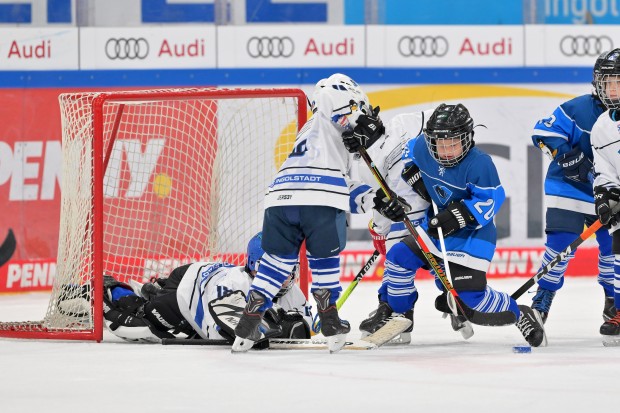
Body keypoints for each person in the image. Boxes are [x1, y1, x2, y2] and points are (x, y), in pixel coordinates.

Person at [356, 102, 547, 347]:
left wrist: (457, 216)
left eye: (453, 144)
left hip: (472, 236)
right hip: (436, 228)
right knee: (398, 257)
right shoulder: (423, 147)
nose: (445, 151)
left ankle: (520, 313)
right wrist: (413, 175)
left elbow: (490, 201)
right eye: (440, 144)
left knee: (471, 300)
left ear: (467, 139)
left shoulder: (481, 163)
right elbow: (407, 154)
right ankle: (400, 315)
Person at [232, 73, 377, 353]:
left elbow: (352, 189)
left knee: (276, 263)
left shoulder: (317, 133)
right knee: (324, 260)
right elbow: (327, 96)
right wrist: (359, 120)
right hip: (320, 198)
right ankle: (330, 321)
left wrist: (376, 201)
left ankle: (249, 321)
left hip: (280, 197)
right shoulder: (328, 114)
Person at [343, 108, 474, 342]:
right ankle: (396, 309)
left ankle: (452, 296)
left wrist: (433, 174)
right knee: (399, 255)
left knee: (441, 248)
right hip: (406, 211)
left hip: (437, 198)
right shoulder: (365, 164)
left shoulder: (404, 123)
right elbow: (380, 201)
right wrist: (380, 228)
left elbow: (442, 131)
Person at [529, 50, 616, 325]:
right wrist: (566, 156)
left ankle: (613, 303)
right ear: (597, 83)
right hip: (571, 188)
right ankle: (541, 301)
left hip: (612, 192)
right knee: (559, 245)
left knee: (613, 251)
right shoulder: (577, 108)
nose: (613, 90)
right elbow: (543, 133)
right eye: (608, 82)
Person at [102, 232, 312, 345]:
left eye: (286, 271)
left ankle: (153, 290)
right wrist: (275, 322)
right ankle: (109, 289)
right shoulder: (235, 284)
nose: (281, 279)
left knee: (186, 327)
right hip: (188, 288)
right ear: (254, 268)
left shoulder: (293, 293)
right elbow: (218, 330)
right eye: (272, 270)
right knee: (141, 324)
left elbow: (306, 326)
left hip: (208, 282)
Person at [589, 48, 620, 344]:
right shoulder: (602, 126)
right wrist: (605, 196)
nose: (611, 89)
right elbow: (606, 170)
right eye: (607, 82)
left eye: (618, 82)